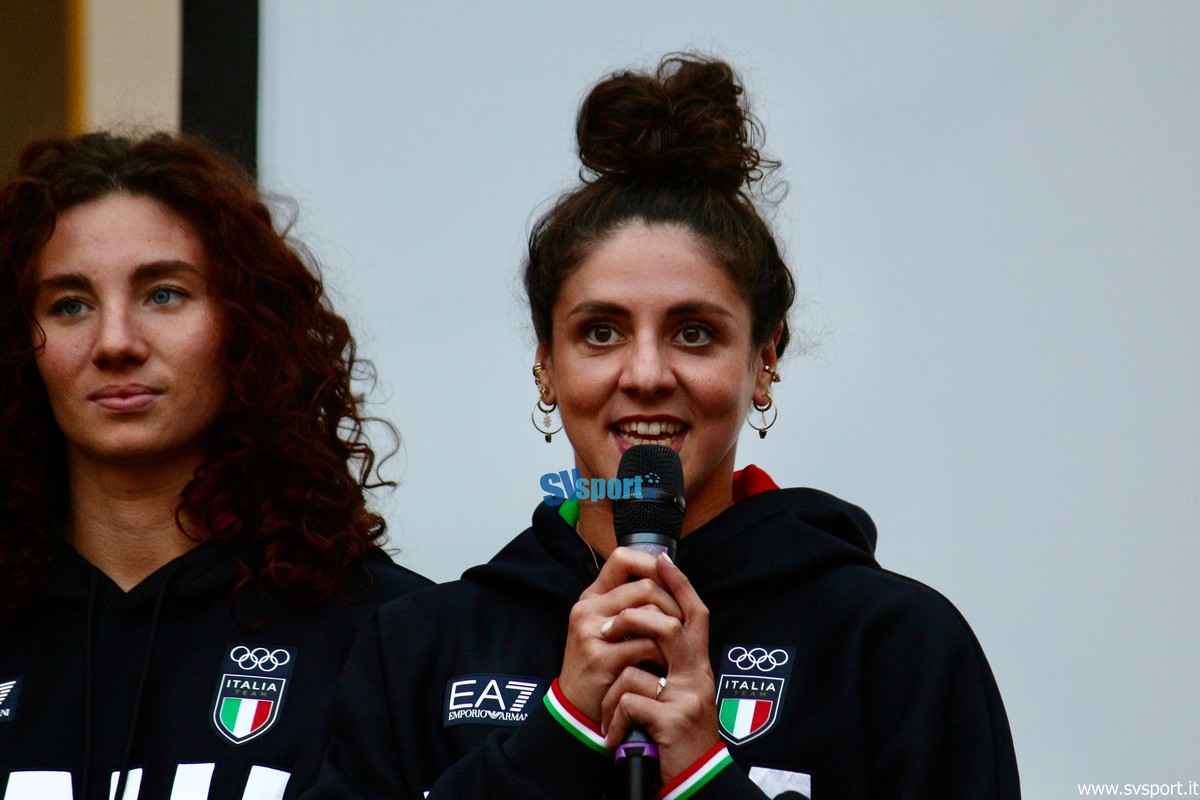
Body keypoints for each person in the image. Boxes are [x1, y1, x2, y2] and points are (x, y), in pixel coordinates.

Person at [306, 54, 1021, 799]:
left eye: (693, 333)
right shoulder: (421, 645)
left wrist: (705, 778)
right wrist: (559, 732)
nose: (646, 374)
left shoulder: (896, 644)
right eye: (601, 332)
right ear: (546, 365)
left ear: (764, 361)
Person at [0, 131, 430, 800]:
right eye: (70, 305)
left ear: (244, 325)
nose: (116, 342)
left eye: (163, 294)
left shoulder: (385, 632)